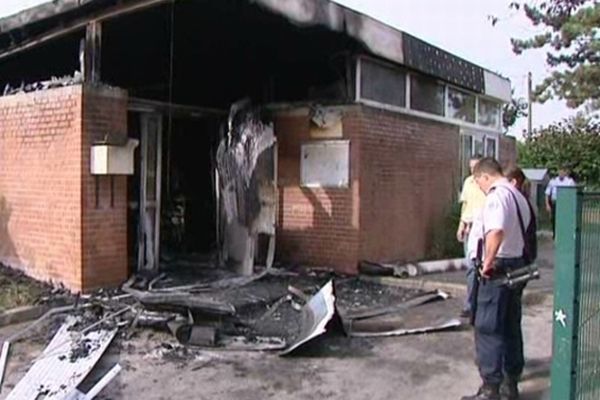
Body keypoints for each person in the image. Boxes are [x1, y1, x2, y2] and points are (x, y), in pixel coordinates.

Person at [462, 158, 531, 400]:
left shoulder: (497, 196)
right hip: (516, 266)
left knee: (488, 326)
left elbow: (496, 230)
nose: (480, 187)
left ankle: (490, 387)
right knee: (511, 325)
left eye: (478, 182)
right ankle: (510, 383)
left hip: (498, 268)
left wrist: (487, 263)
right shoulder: (518, 196)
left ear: (484, 177)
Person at [457, 155, 486, 318]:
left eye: (475, 167)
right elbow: (466, 205)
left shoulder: (486, 184)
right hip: (469, 228)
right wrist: (461, 225)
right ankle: (470, 304)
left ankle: (479, 303)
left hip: (482, 229)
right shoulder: (468, 182)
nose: (472, 170)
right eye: (470, 167)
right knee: (471, 267)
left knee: (480, 267)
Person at [545, 167, 575, 239]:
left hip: (565, 203)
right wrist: (547, 204)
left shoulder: (569, 181)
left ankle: (564, 234)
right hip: (555, 203)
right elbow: (547, 193)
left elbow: (573, 193)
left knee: (564, 219)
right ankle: (555, 234)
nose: (561, 173)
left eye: (562, 172)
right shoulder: (553, 181)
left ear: (565, 173)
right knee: (554, 219)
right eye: (560, 171)